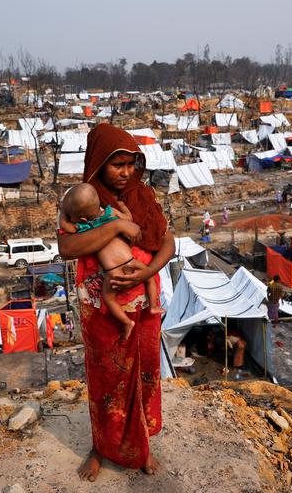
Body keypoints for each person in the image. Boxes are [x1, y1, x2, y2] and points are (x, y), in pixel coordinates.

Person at [57, 124, 173, 481]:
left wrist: (146, 272)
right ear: (97, 164)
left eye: (130, 163)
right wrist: (117, 227)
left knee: (146, 375)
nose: (125, 173)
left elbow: (167, 243)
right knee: (107, 380)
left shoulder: (143, 195)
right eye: (116, 165)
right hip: (102, 306)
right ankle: (101, 447)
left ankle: (142, 446)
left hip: (143, 299)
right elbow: (67, 247)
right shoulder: (80, 199)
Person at [60, 183, 164, 340]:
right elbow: (128, 219)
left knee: (109, 298)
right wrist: (124, 208)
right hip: (132, 262)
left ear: (81, 218)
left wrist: (63, 212)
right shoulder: (110, 213)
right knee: (149, 277)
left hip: (113, 272)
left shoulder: (84, 228)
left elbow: (65, 226)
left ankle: (126, 322)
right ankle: (154, 306)